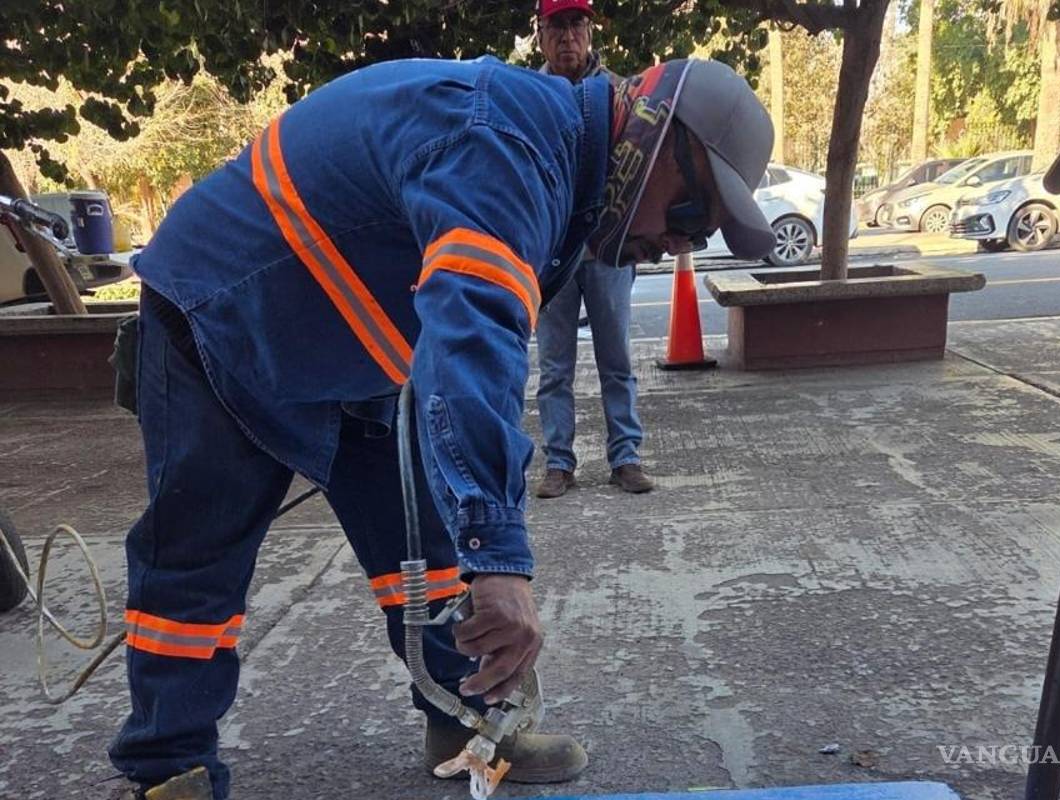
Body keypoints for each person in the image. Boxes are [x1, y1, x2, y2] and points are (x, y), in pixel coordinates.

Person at [104, 53, 774, 800]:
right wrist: (503, 561)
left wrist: (479, 549)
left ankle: (461, 716)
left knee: (421, 544)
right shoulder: (505, 147)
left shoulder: (559, 171)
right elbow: (473, 345)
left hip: (346, 340)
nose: (680, 244)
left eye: (701, 235)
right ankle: (169, 769)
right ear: (648, 138)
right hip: (222, 313)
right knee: (198, 557)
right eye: (688, 215)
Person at [531, 0, 651, 498]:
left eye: (576, 24)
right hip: (553, 256)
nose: (567, 37)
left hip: (606, 251)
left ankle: (626, 457)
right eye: (556, 26)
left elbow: (643, 169)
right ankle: (559, 463)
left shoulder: (621, 96)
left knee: (616, 361)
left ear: (590, 29)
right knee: (554, 367)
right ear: (540, 34)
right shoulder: (528, 96)